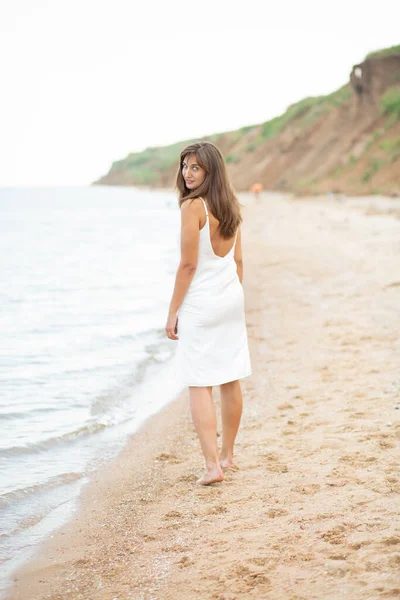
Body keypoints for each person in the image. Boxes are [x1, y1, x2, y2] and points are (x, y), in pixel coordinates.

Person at [165, 141, 252, 486]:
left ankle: (212, 466)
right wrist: (231, 296)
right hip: (230, 299)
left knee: (199, 381)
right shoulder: (230, 206)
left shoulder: (193, 207)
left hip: (201, 305)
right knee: (230, 376)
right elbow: (239, 261)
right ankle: (228, 456)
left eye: (196, 167)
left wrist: (173, 312)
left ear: (210, 171)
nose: (188, 173)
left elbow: (188, 265)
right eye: (185, 165)